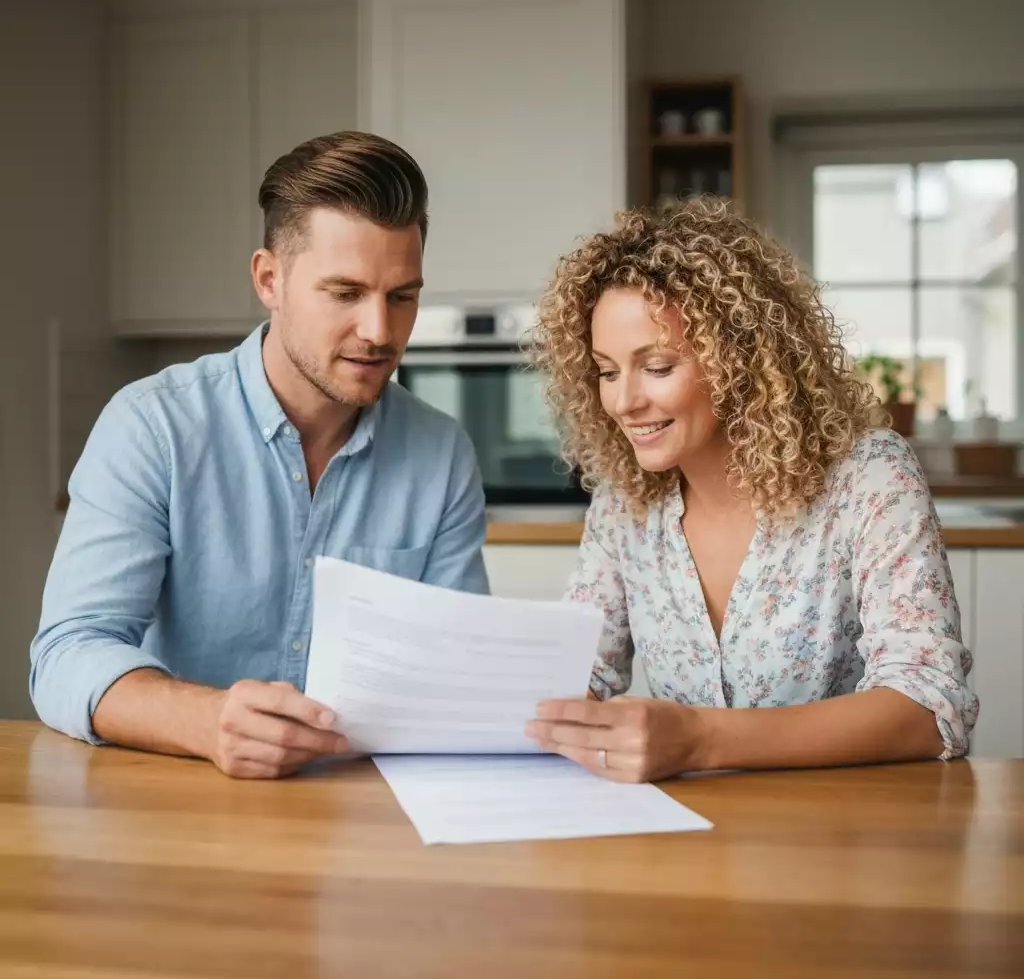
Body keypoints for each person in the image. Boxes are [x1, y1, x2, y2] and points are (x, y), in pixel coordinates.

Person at [31, 131, 489, 778]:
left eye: (402, 296)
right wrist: (207, 721)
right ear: (269, 279)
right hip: (178, 809)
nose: (380, 331)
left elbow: (459, 673)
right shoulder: (152, 427)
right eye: (344, 293)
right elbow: (67, 654)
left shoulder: (442, 455)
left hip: (368, 826)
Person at [526, 197, 977, 782]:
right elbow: (576, 670)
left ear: (740, 359)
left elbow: (930, 707)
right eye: (607, 371)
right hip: (680, 841)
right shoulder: (624, 500)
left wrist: (695, 739)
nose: (623, 401)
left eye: (657, 366)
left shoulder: (867, 478)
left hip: (842, 843)